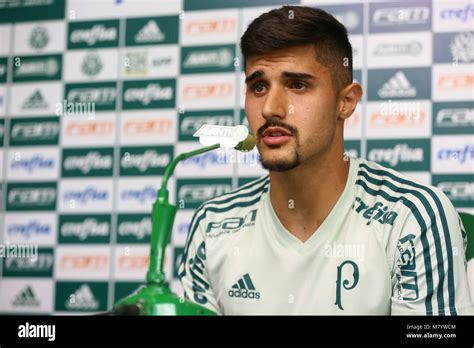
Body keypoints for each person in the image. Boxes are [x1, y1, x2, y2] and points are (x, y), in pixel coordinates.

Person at [178, 5, 473, 315]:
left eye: (297, 85)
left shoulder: (413, 216)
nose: (270, 108)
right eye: (259, 86)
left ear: (345, 102)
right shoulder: (212, 225)